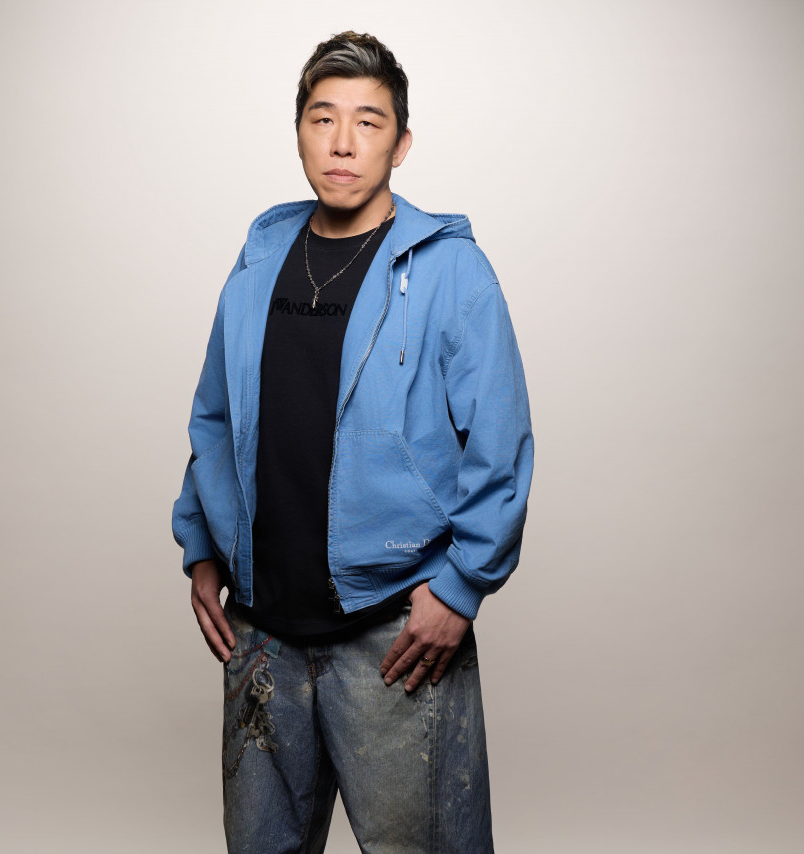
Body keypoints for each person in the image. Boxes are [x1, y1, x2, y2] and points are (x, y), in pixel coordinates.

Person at [172, 31, 533, 853]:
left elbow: (501, 443)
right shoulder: (261, 255)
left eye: (368, 122)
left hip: (392, 630)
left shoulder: (452, 270)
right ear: (299, 131)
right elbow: (216, 416)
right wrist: (201, 547)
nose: (342, 142)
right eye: (322, 118)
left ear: (400, 144)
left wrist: (461, 587)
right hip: (261, 629)